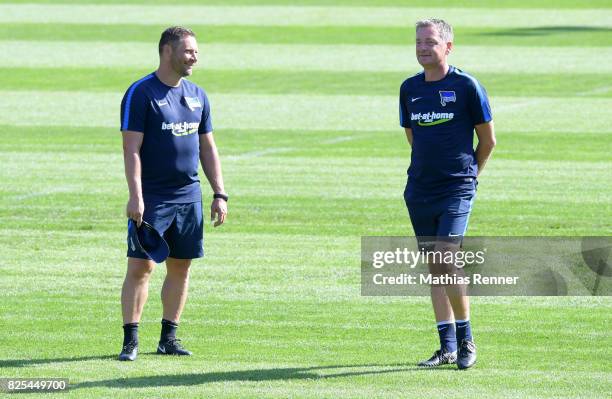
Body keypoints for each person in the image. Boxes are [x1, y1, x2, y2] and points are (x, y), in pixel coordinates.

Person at [118, 26, 228, 361]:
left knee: (181, 267)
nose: (195, 56)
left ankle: (169, 338)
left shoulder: (197, 95)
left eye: (196, 51)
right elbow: (131, 149)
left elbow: (207, 148)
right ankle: (130, 341)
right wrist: (135, 196)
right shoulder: (141, 93)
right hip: (153, 197)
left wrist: (219, 193)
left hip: (188, 197)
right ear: (168, 51)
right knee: (141, 267)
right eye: (189, 51)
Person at [398, 19, 495, 369]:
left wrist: (469, 178)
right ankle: (447, 347)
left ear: (448, 47)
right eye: (419, 42)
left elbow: (488, 141)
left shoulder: (467, 85)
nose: (423, 47)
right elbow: (413, 136)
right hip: (419, 190)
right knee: (435, 268)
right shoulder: (409, 88)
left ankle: (467, 339)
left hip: (457, 188)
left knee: (445, 258)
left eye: (431, 42)